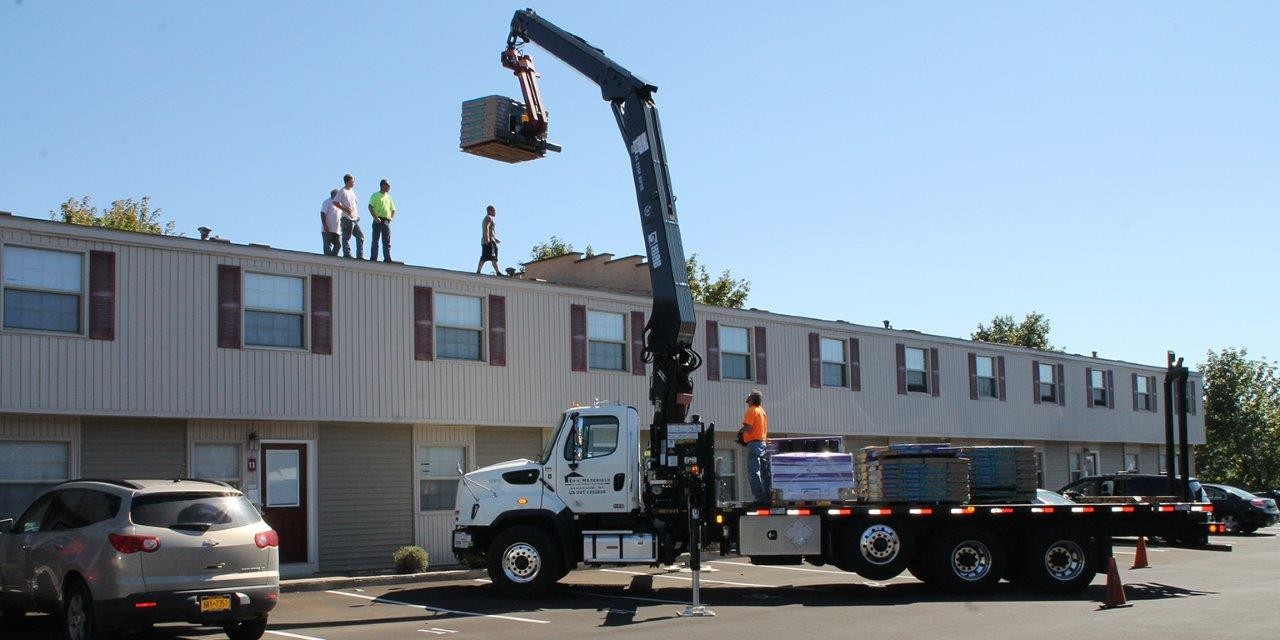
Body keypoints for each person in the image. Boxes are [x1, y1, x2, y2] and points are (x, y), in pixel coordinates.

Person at [739, 389, 770, 504]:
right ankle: (766, 497)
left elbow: (748, 427)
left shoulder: (751, 410)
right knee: (763, 472)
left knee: (753, 472)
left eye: (749, 398)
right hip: (762, 443)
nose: (747, 400)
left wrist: (740, 432)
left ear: (752, 399)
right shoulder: (762, 411)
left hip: (754, 444)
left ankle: (759, 499)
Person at [333, 174, 363, 259]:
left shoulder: (352, 191)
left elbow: (355, 204)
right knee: (346, 236)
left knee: (360, 236)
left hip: (354, 218)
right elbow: (335, 202)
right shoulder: (342, 191)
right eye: (352, 181)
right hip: (347, 218)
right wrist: (345, 209)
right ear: (348, 181)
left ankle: (360, 255)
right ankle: (347, 253)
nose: (354, 183)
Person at [368, 179, 396, 262]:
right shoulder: (375, 195)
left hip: (386, 220)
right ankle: (373, 258)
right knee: (375, 240)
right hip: (378, 219)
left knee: (386, 240)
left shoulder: (389, 197)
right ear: (382, 186)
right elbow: (370, 207)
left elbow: (393, 209)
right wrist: (375, 217)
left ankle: (387, 258)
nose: (389, 188)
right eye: (387, 186)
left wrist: (391, 218)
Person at [476, 205, 501, 275]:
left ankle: (497, 272)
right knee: (488, 257)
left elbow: (490, 231)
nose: (495, 212)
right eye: (494, 210)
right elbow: (486, 228)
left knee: (490, 257)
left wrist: (495, 239)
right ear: (490, 210)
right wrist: (487, 239)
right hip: (489, 241)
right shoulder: (488, 218)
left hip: (490, 240)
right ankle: (479, 271)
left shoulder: (488, 218)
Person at [320, 189, 340, 256]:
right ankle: (327, 260)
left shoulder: (339, 204)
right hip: (328, 228)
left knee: (338, 245)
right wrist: (325, 225)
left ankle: (333, 259)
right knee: (327, 244)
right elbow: (323, 213)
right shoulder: (327, 202)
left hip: (336, 229)